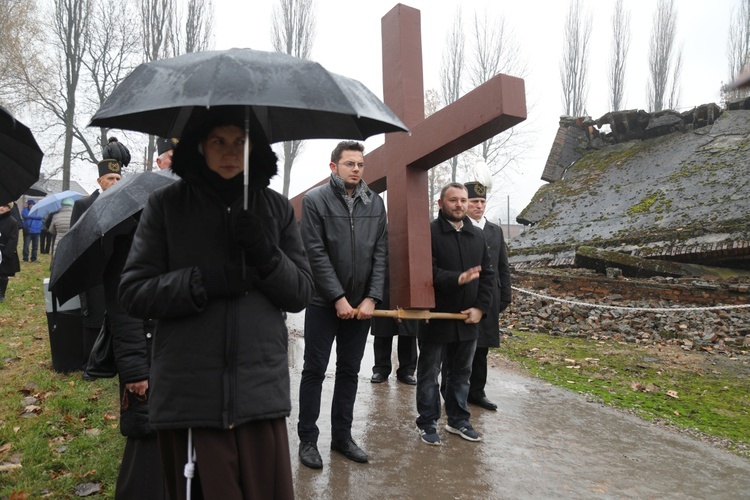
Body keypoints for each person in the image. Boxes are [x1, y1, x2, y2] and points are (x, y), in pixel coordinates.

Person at [119, 108, 312, 499]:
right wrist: (203, 281)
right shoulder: (166, 206)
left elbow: (300, 293)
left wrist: (265, 252)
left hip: (259, 395)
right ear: (199, 147)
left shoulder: (275, 208)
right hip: (191, 398)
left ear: (253, 148)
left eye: (240, 143)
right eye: (218, 142)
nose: (230, 152)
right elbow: (134, 291)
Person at [297, 140, 387, 469]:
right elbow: (315, 254)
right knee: (314, 370)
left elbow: (380, 254)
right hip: (323, 303)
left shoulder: (375, 203)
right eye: (350, 164)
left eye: (360, 164)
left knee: (349, 372)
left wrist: (371, 298)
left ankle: (342, 437)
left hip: (361, 308)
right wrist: (337, 297)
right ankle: (308, 440)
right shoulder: (315, 201)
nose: (356, 169)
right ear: (333, 166)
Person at [416, 182, 493, 446]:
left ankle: (458, 420)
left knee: (461, 374)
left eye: (463, 200)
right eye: (453, 200)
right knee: (429, 374)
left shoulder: (478, 235)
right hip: (436, 317)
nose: (459, 205)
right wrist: (456, 278)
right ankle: (427, 422)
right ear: (440, 204)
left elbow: (488, 276)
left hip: (468, 319)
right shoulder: (429, 233)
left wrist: (480, 308)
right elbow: (426, 273)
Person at [102, 220, 167, 499]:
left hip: (180, 359)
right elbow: (123, 312)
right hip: (147, 360)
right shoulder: (132, 244)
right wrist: (135, 371)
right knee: (147, 439)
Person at [73, 138, 128, 375]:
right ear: (99, 181)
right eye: (110, 179)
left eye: (118, 179)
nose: (114, 182)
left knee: (117, 312)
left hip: (117, 266)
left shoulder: (126, 204)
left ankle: (115, 359)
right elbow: (76, 237)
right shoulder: (84, 204)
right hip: (93, 266)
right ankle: (90, 363)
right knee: (94, 315)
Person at [462, 181, 512, 411]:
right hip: (463, 296)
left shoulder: (495, 230)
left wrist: (505, 296)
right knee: (459, 348)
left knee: (482, 349)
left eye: (482, 202)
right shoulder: (458, 227)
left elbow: (503, 265)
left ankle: (477, 392)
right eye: (474, 202)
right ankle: (455, 391)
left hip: (489, 297)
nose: (479, 206)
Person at [370, 266, 418, 385]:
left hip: (409, 277)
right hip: (385, 276)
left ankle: (407, 370)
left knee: (409, 328)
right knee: (383, 325)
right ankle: (381, 368)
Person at [0, 202, 21, 302]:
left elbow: (13, 239)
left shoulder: (12, 222)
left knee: (3, 274)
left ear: (9, 208)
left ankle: (1, 294)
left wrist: (6, 252)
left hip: (4, 252)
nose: (1, 208)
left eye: (4, 206)